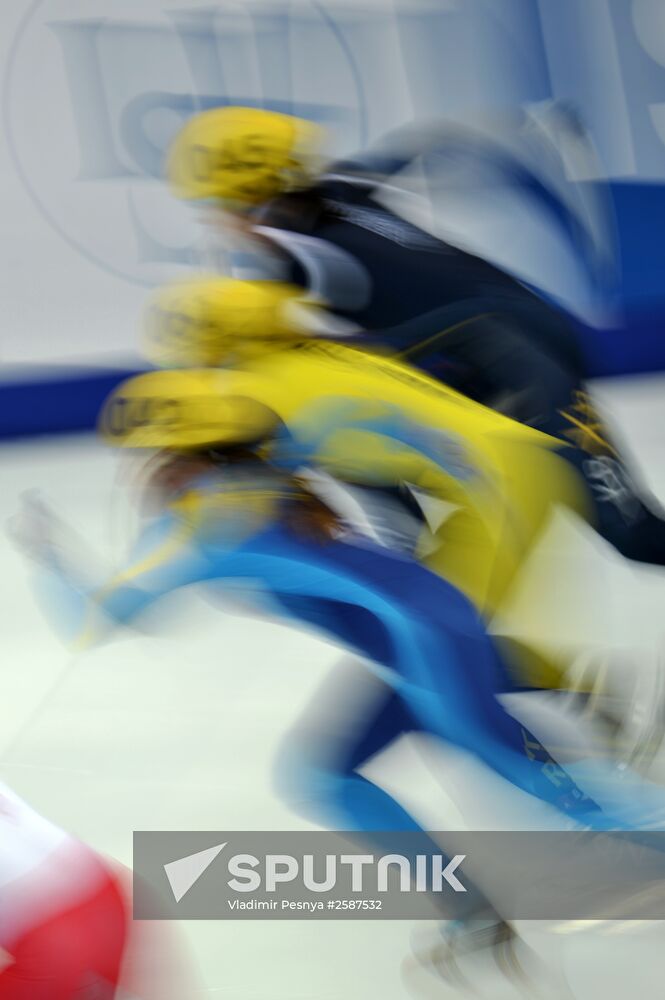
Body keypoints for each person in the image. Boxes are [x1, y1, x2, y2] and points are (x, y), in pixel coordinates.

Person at [165, 107, 665, 574]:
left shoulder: (298, 258)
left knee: (636, 537)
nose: (216, 219)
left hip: (520, 363)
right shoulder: (335, 186)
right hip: (502, 348)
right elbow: (426, 146)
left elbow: (266, 359)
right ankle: (418, 555)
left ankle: (413, 555)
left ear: (253, 192)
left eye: (219, 202)